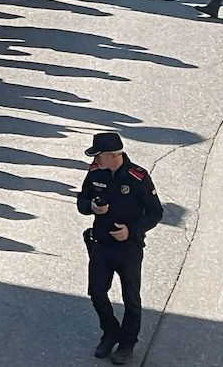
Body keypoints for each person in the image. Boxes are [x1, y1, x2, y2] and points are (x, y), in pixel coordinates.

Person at [77, 132, 163, 365]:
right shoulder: (95, 172)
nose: (95, 160)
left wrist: (131, 231)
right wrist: (92, 207)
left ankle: (127, 343)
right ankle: (110, 332)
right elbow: (81, 202)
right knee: (96, 293)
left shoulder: (138, 177)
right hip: (102, 245)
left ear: (112, 155)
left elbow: (156, 213)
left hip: (128, 249)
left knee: (131, 299)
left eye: (98, 156)